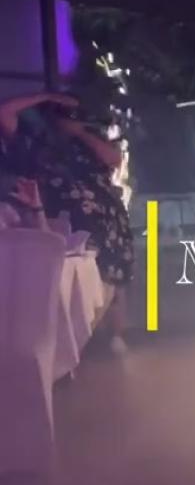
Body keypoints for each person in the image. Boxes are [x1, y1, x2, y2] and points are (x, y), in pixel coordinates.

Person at [1, 91, 134, 353]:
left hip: (105, 220)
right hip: (58, 221)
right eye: (63, 113)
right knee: (63, 282)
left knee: (112, 276)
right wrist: (47, 96)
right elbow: (4, 111)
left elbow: (114, 159)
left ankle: (115, 335)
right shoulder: (33, 141)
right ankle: (67, 343)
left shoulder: (89, 141)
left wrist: (80, 132)